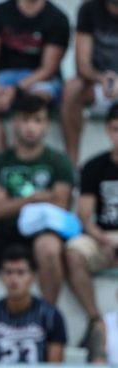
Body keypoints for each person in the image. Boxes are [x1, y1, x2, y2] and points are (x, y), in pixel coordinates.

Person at [0, 93, 74, 308]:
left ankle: (47, 315)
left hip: (41, 234)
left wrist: (8, 202)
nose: (31, 127)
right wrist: (34, 199)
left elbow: (61, 207)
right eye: (25, 119)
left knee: (49, 247)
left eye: (37, 120)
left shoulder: (58, 161)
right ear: (15, 122)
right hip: (4, 233)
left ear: (46, 125)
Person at [0, 0, 70, 154]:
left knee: (37, 100)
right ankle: (4, 159)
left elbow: (48, 69)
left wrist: (15, 90)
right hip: (1, 76)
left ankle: (28, 155)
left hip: (38, 78)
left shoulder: (57, 18)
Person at [64, 103, 118, 349]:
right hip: (102, 236)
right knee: (73, 252)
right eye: (116, 129)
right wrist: (105, 239)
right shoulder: (94, 166)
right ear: (108, 130)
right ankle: (95, 320)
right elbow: (84, 215)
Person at [0, 244, 66, 362]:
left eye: (20, 273)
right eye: (8, 272)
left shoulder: (50, 315)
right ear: (1, 276)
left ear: (32, 276)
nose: (14, 279)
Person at [61, 0, 118, 167]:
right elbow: (82, 65)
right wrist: (102, 79)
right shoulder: (90, 9)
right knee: (72, 89)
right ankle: (72, 165)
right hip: (98, 82)